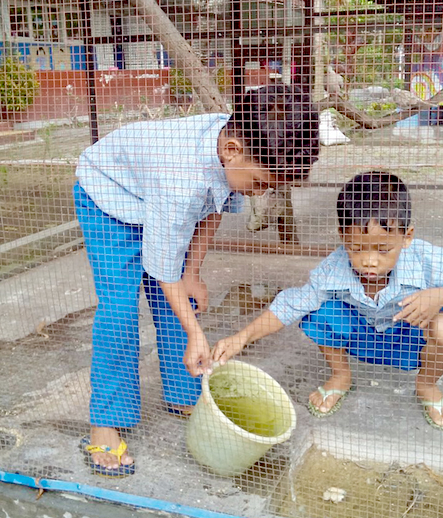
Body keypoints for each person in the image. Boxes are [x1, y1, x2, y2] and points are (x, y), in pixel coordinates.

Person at [73, 84, 319, 476]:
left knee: (181, 299)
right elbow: (163, 267)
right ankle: (105, 422)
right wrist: (195, 331)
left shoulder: (230, 148)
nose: (260, 193)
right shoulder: (181, 180)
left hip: (156, 196)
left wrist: (193, 273)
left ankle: (183, 392)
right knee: (119, 311)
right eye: (259, 183)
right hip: (110, 196)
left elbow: (212, 208)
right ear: (232, 150)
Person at [212, 172, 443, 431]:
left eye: (383, 250)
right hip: (363, 337)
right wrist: (242, 338)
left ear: (407, 236)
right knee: (318, 312)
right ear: (343, 236)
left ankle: (426, 385)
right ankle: (341, 375)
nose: (369, 261)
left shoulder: (429, 259)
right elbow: (289, 305)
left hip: (410, 337)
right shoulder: (333, 268)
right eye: (357, 248)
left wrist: (441, 296)